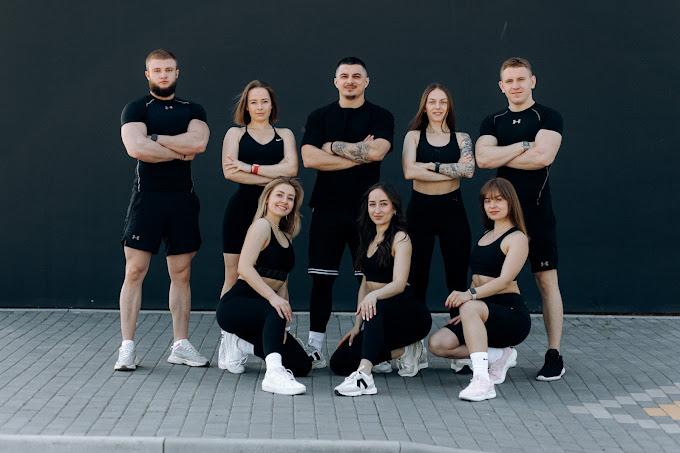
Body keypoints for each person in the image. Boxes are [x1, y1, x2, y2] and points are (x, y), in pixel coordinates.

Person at [116, 49, 210, 371]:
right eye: (157, 70)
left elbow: (198, 144)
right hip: (147, 199)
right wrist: (178, 151)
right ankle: (127, 347)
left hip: (182, 199)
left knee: (181, 273)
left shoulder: (192, 109)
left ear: (177, 72)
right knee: (134, 271)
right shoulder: (136, 108)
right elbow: (136, 147)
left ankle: (180, 345)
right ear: (148, 74)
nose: (163, 75)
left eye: (169, 69)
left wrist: (155, 138)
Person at [475, 57, 566, 381]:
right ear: (501, 86)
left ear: (532, 81)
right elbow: (483, 158)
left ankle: (554, 354)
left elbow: (543, 156)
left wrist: (504, 152)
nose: (515, 86)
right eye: (509, 81)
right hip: (502, 217)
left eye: (521, 79)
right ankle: (494, 351)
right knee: (492, 282)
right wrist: (524, 145)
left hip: (538, 215)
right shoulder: (493, 121)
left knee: (546, 281)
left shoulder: (548, 116)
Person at [301, 57, 394, 368]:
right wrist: (357, 154)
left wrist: (330, 147)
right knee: (321, 280)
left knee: (369, 280)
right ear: (335, 81)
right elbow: (309, 158)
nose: (350, 81)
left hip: (367, 211)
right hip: (326, 208)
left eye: (356, 76)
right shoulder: (319, 116)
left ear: (366, 81)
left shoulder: (380, 116)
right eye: (344, 76)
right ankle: (314, 347)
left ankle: (371, 346)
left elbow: (377, 151)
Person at [218, 81, 298, 371]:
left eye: (265, 101)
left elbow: (291, 170)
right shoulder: (235, 134)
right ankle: (229, 341)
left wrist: (249, 167)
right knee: (234, 273)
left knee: (278, 271)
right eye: (254, 102)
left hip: (276, 212)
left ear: (272, 105)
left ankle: (277, 327)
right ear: (246, 106)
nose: (260, 107)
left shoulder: (284, 134)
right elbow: (229, 172)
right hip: (241, 210)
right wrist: (273, 178)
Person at [428, 178, 531, 401]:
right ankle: (498, 355)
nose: (492, 205)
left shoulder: (517, 238)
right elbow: (476, 280)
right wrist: (469, 314)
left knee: (469, 308)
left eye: (498, 199)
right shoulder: (485, 235)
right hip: (481, 309)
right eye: (487, 200)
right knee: (438, 344)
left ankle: (482, 381)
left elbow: (504, 280)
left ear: (510, 202)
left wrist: (469, 300)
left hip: (511, 314)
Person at [331, 184, 432, 396]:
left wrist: (374, 296)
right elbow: (365, 284)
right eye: (372, 204)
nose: (377, 210)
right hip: (379, 315)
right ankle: (406, 350)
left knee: (375, 306)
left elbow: (399, 283)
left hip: (409, 315)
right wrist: (357, 325)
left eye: (383, 204)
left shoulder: (401, 238)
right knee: (340, 362)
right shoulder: (368, 237)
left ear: (394, 209)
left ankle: (364, 376)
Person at [216, 178, 311, 395]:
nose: (284, 201)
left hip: (265, 311)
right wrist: (274, 300)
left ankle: (240, 345)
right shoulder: (261, 226)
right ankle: (273, 376)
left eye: (290, 198)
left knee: (301, 364)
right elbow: (244, 267)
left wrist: (283, 322)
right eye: (279, 195)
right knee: (274, 311)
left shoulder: (286, 235)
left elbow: (283, 281)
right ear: (267, 198)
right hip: (236, 305)